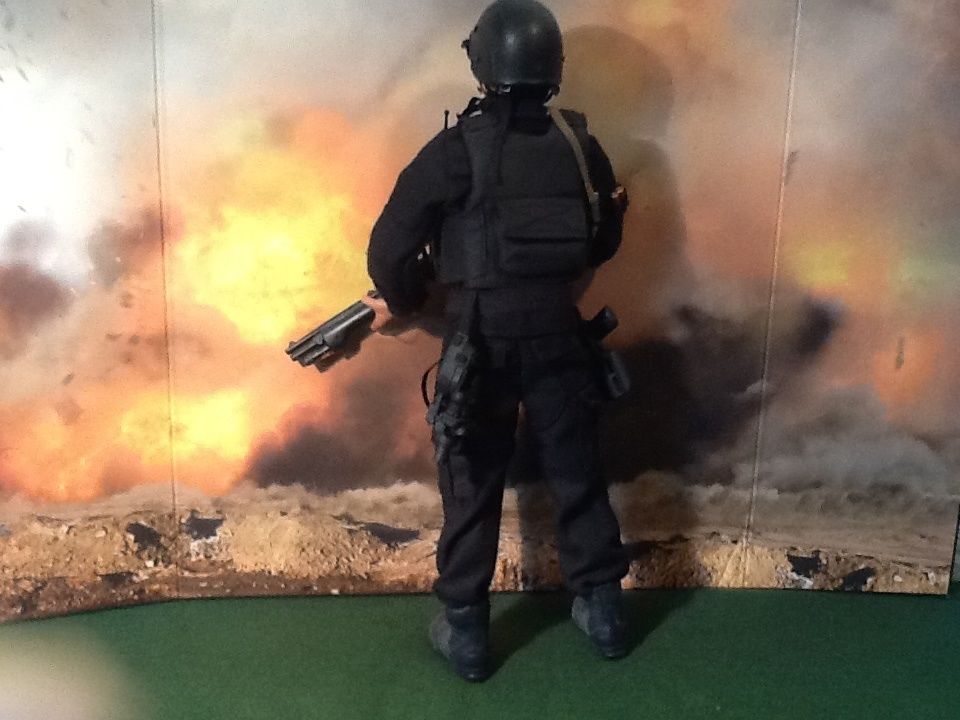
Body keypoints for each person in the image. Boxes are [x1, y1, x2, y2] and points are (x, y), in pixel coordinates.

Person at [363, 0, 630, 682]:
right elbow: (604, 238)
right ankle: (603, 612)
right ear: (552, 65)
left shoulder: (456, 151)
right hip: (560, 337)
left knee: (471, 483)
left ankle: (467, 632)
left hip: (477, 342)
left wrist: (406, 299)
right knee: (577, 473)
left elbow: (389, 248)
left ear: (483, 64)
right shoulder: (579, 143)